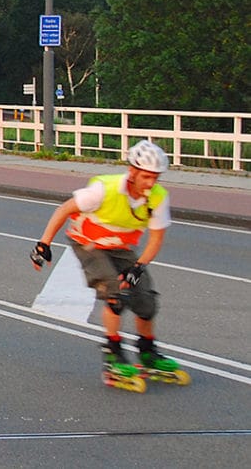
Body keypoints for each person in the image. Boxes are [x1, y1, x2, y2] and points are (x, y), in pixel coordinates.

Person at [30, 140, 186, 390]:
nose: (151, 183)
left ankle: (147, 352)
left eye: (155, 177)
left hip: (121, 248)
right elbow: (64, 210)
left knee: (146, 300)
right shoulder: (104, 190)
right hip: (88, 243)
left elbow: (156, 239)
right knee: (114, 294)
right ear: (132, 171)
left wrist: (138, 268)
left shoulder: (158, 197)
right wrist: (43, 245)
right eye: (146, 176)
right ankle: (113, 355)